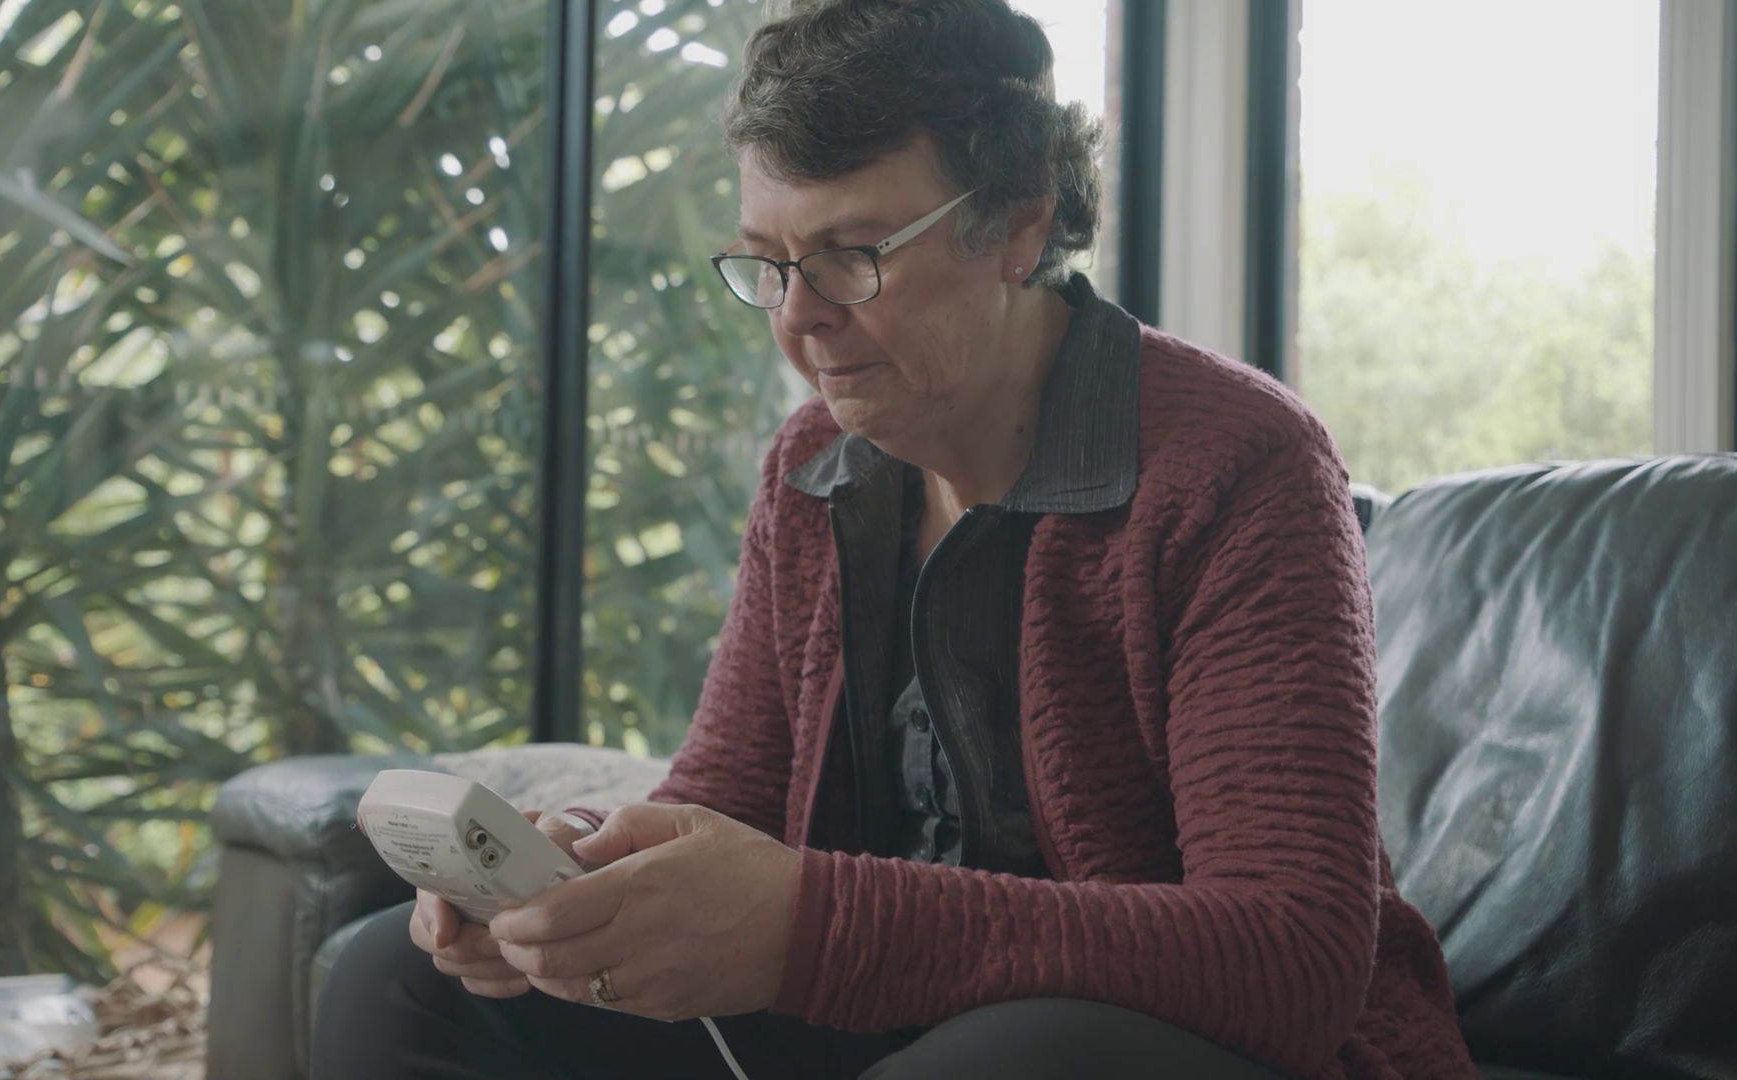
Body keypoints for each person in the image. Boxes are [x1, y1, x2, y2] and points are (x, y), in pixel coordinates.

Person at [312, 1, 1477, 1077]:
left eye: (850, 255)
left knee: (1003, 1063)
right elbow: (725, 802)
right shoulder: (815, 469)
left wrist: (811, 926)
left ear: (1017, 226)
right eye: (766, 263)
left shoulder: (1239, 464)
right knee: (394, 978)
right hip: (880, 1019)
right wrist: (578, 872)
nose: (798, 314)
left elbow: (1292, 955)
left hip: (1176, 1045)